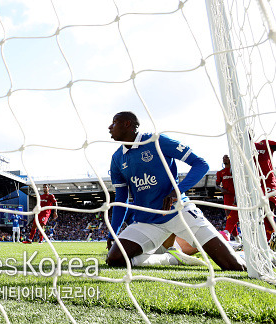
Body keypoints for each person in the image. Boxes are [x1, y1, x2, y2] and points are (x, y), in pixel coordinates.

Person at [105, 111, 245, 270]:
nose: (110, 127)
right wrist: (113, 232)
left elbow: (201, 164)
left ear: (127, 124)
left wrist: (176, 192)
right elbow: (121, 199)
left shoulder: (156, 141)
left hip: (179, 212)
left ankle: (252, 256)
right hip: (147, 221)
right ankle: (170, 258)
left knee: (234, 266)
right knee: (115, 259)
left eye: (114, 122)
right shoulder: (117, 158)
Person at [253, 136, 276, 243]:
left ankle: (273, 237)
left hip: (268, 180)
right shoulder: (241, 150)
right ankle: (268, 240)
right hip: (254, 184)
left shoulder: (264, 143)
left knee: (269, 210)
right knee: (261, 215)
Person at [216, 154, 239, 239]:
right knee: (229, 217)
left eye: (226, 157)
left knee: (233, 216)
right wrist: (221, 189)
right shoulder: (220, 172)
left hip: (237, 196)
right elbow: (217, 185)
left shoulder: (236, 170)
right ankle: (236, 237)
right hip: (227, 197)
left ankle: (228, 233)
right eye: (223, 158)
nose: (224, 159)